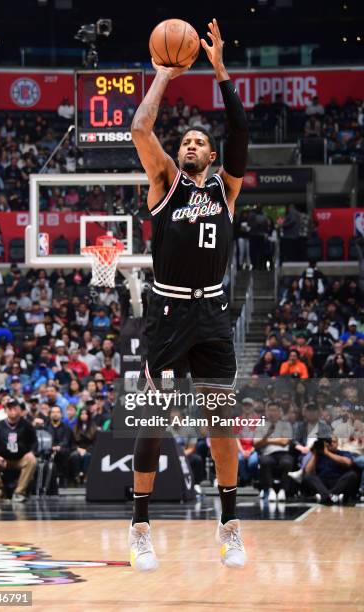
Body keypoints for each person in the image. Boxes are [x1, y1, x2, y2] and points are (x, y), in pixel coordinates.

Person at [129, 19, 248, 571]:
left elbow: (241, 137)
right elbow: (139, 129)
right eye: (186, 141)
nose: (192, 144)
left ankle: (230, 526)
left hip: (213, 312)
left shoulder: (226, 190)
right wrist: (162, 77)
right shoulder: (166, 183)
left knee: (222, 425)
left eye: (200, 140)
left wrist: (221, 73)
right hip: (167, 308)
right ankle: (139, 527)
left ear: (212, 152)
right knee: (153, 421)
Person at [0, 398, 38, 502]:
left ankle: (19, 492)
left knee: (32, 460)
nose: (12, 410)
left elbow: (34, 442)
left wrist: (31, 452)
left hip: (20, 459)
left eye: (15, 407)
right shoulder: (0, 425)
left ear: (20, 410)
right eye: (10, 408)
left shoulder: (26, 424)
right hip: (3, 460)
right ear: (6, 410)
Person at [254, 401, 294, 502]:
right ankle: (270, 490)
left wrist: (266, 440)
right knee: (265, 462)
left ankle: (282, 491)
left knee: (287, 462)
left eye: (275, 410)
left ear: (279, 412)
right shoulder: (261, 425)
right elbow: (256, 443)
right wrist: (267, 435)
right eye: (270, 410)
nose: (272, 413)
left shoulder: (286, 425)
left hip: (283, 453)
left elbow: (285, 442)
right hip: (267, 453)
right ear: (266, 412)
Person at [302, 436, 360, 504]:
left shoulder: (343, 453)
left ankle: (326, 496)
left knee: (352, 475)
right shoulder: (318, 455)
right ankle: (331, 497)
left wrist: (327, 453)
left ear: (338, 443)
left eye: (334, 442)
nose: (331, 443)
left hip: (338, 483)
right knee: (308, 477)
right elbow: (308, 471)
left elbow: (348, 463)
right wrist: (315, 453)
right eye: (329, 442)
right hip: (322, 483)